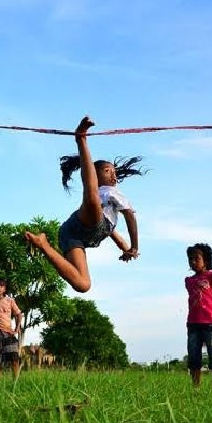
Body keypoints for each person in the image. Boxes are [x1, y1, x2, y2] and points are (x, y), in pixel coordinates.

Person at [25, 116, 143, 292]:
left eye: (114, 172)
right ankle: (81, 138)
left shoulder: (111, 202)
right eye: (107, 171)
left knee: (83, 285)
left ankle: (43, 245)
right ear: (94, 173)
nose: (113, 175)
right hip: (84, 223)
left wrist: (126, 248)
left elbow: (111, 232)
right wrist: (135, 246)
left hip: (71, 235)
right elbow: (130, 216)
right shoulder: (108, 193)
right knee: (92, 196)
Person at [185, 243, 212, 390]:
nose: (193, 261)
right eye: (190, 259)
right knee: (194, 357)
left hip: (211, 323)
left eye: (197, 258)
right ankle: (196, 388)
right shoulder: (189, 281)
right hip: (193, 324)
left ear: (206, 261)